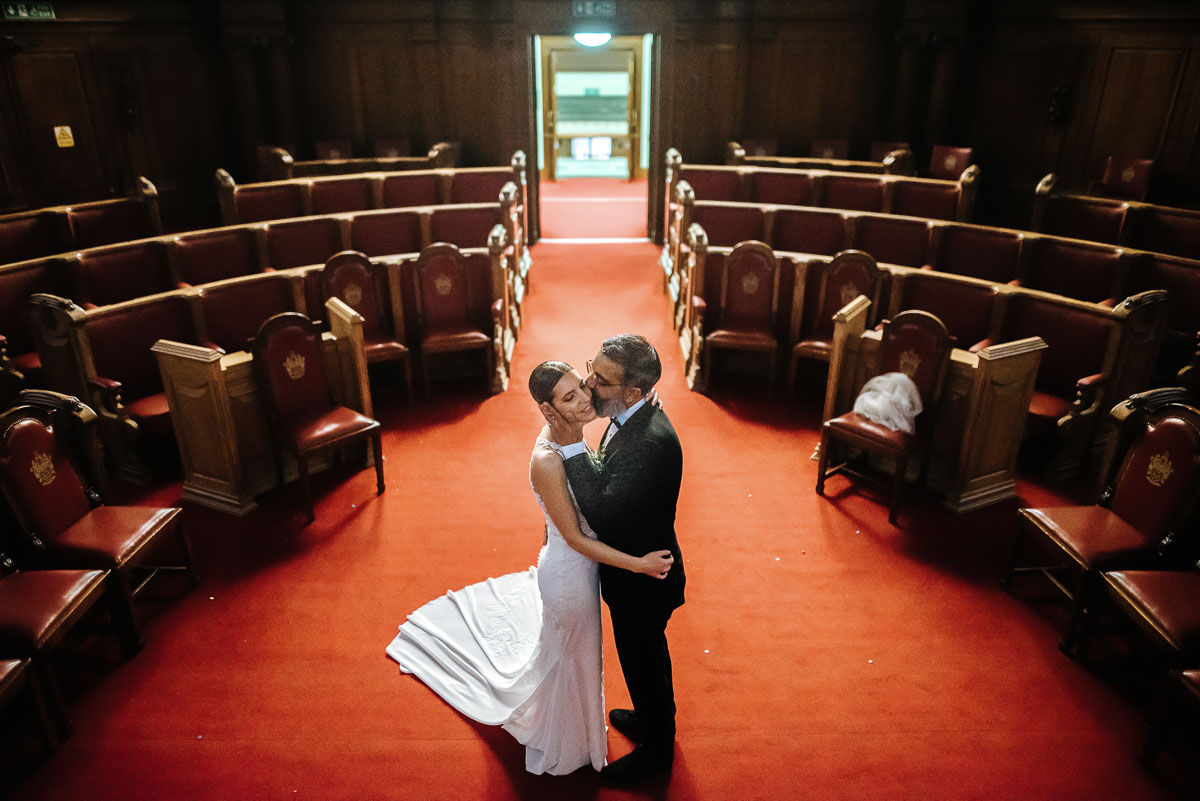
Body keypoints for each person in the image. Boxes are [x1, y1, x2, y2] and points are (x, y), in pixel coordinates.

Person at [386, 360, 673, 776]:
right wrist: (638, 565)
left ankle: (586, 727)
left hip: (578, 568)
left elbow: (610, 432)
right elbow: (575, 538)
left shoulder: (571, 431)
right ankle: (565, 739)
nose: (583, 399)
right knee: (571, 658)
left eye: (581, 388)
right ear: (547, 409)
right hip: (571, 578)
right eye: (569, 396)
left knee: (577, 657)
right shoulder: (549, 458)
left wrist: (643, 404)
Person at [541, 334, 686, 783]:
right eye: (592, 367)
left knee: (643, 660)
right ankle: (653, 718)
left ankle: (656, 753)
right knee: (647, 659)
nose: (587, 383)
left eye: (600, 380)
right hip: (640, 568)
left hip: (643, 579)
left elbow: (604, 513)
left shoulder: (649, 442)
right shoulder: (629, 415)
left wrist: (569, 448)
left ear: (633, 393)